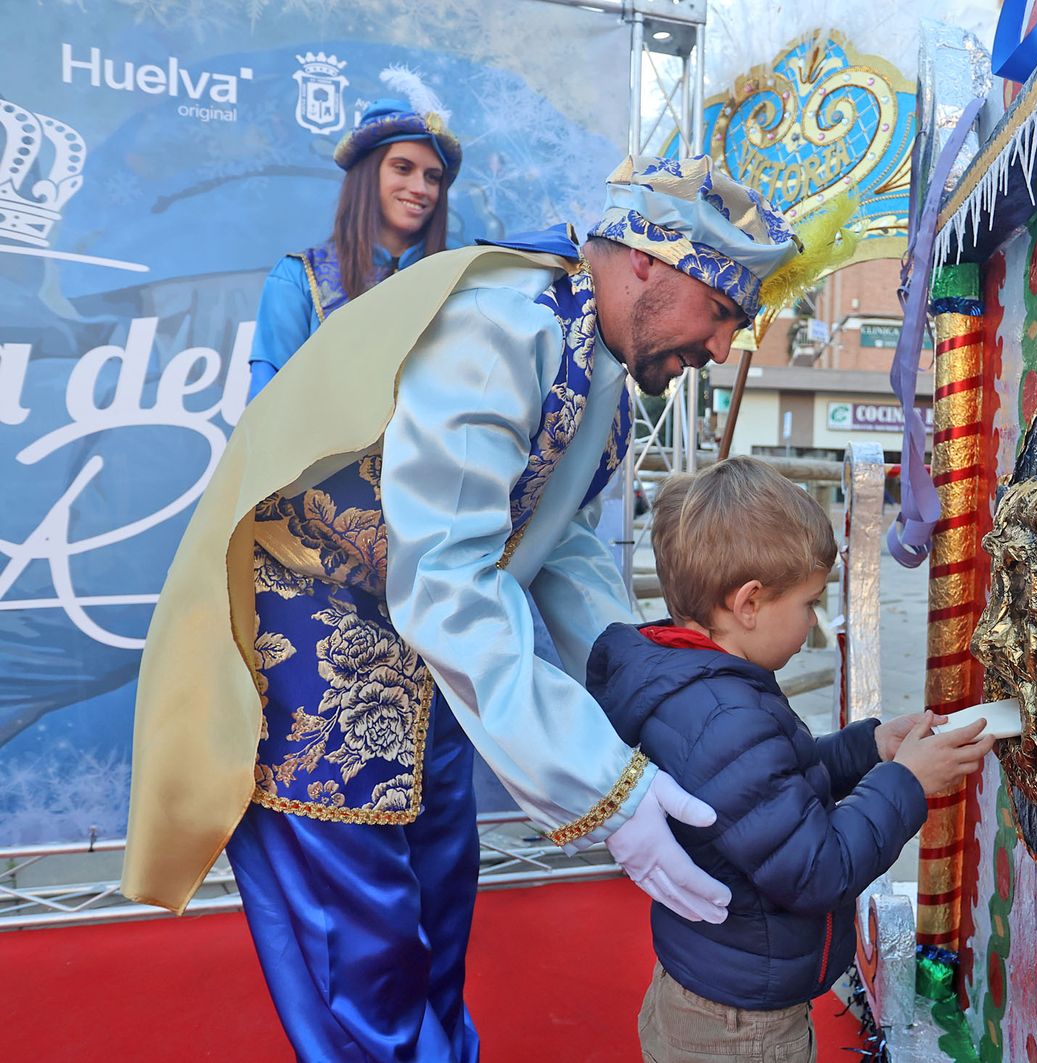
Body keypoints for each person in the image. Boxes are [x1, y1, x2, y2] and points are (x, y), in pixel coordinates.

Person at [122, 155, 829, 1061]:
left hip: (433, 656)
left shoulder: (600, 365)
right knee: (367, 966)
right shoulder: (506, 327)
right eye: (723, 312)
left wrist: (648, 685)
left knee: (438, 921)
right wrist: (605, 790)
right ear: (648, 263)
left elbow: (553, 542)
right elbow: (450, 578)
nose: (723, 349)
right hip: (321, 646)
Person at [587, 457, 995, 1063]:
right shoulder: (725, 715)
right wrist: (907, 781)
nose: (811, 625)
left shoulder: (707, 685)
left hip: (720, 987)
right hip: (741, 1026)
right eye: (808, 603)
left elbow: (776, 788)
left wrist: (870, 746)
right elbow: (814, 868)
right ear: (748, 603)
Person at [248, 68, 460, 400]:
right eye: (403, 168)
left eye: (433, 177)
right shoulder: (298, 280)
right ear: (366, 175)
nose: (420, 188)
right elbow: (265, 411)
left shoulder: (463, 280)